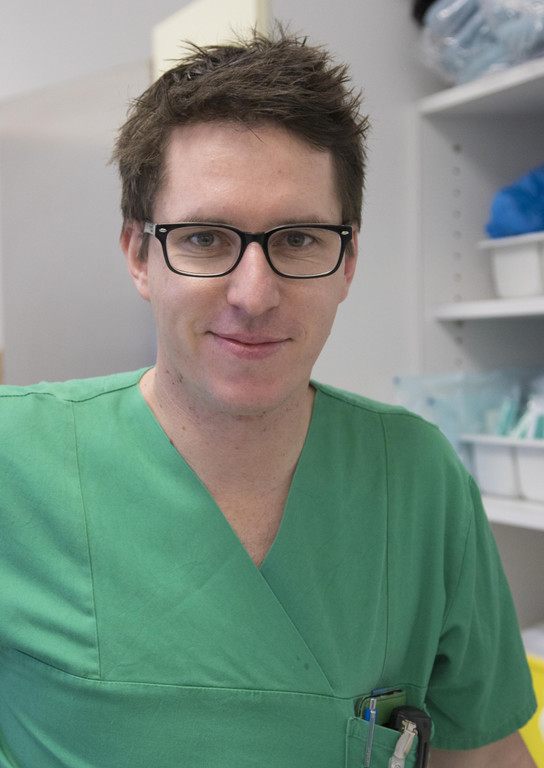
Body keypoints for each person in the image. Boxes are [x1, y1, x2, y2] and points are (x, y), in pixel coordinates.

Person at [0, 28, 537, 768]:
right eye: (205, 238)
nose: (254, 295)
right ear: (139, 254)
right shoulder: (17, 462)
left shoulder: (418, 479)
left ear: (348, 260)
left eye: (298, 240)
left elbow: (484, 756)